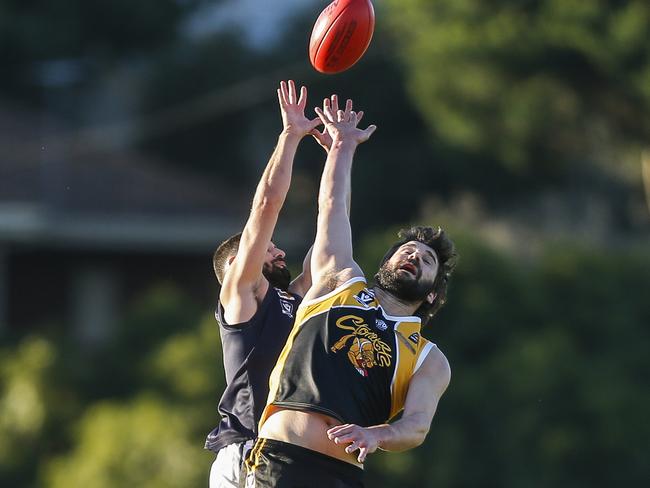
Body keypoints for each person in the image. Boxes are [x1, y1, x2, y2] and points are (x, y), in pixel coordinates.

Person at [243, 97, 458, 487]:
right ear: (386, 263)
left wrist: (376, 435)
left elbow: (416, 427)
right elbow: (332, 208)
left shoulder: (428, 358)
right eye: (408, 250)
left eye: (427, 261)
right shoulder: (339, 280)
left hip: (342, 477)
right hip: (283, 461)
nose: (414, 256)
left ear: (431, 295)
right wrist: (343, 145)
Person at [205, 80, 322, 488]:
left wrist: (339, 155)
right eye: (270, 249)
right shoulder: (243, 293)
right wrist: (290, 136)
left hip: (284, 453)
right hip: (246, 451)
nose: (280, 254)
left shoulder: (292, 299)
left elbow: (328, 248)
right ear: (239, 263)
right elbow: (266, 205)